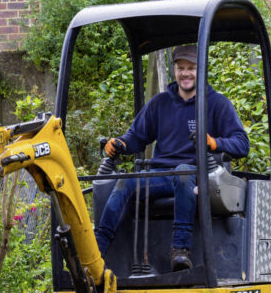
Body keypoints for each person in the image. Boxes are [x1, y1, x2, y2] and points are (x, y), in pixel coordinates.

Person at [94, 44, 249, 271]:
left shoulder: (217, 104)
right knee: (125, 182)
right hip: (162, 175)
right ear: (174, 70)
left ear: (202, 69)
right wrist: (120, 144)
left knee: (184, 172)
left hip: (198, 177)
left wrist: (215, 143)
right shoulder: (159, 104)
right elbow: (137, 137)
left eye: (191, 68)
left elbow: (242, 143)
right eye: (180, 68)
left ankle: (180, 250)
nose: (185, 73)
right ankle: (96, 251)